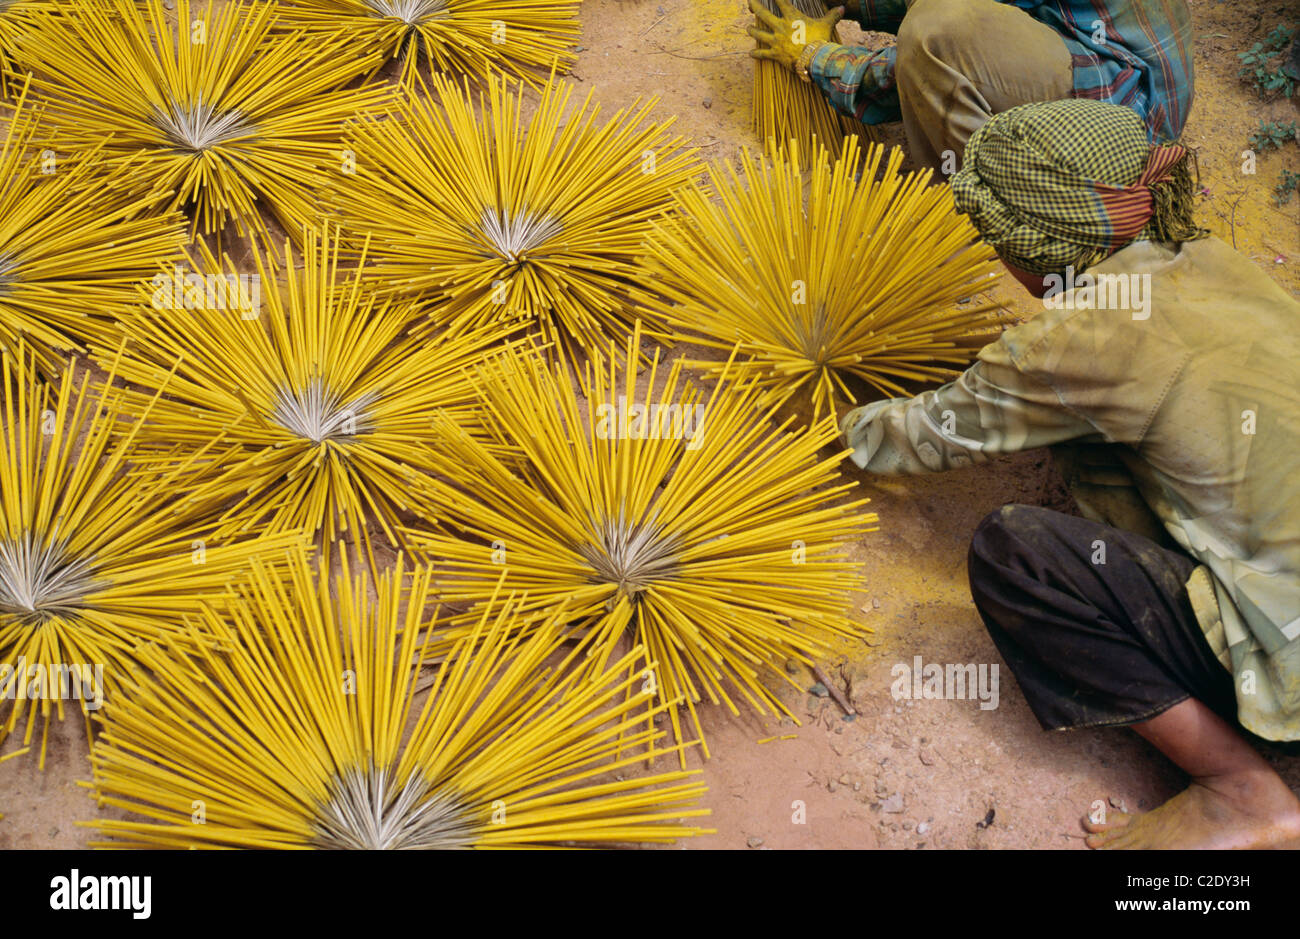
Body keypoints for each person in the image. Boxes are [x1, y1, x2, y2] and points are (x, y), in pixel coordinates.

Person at [839, 97, 1300, 849]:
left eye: (996, 238)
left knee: (1017, 554)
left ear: (1036, 243)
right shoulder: (1210, 256)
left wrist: (826, 432)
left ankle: (1241, 793)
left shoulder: (1081, 336)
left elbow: (926, 435)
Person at [748, 0, 1194, 171]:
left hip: (1127, 114)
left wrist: (817, 57)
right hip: (1091, 50)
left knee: (933, 33)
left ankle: (990, 189)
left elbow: (924, 54)